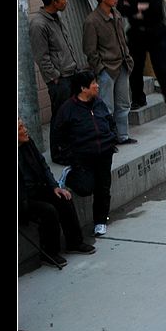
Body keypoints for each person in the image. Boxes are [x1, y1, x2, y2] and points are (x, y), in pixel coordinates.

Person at [19, 118, 96, 268]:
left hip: (38, 188)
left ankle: (74, 242)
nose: (25, 129)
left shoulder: (28, 143)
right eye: (21, 127)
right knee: (48, 210)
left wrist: (54, 186)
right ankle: (49, 252)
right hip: (22, 199)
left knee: (63, 198)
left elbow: (43, 165)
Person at [51, 70, 118, 236]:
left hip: (104, 153)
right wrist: (69, 156)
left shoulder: (99, 103)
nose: (97, 86)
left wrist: (111, 139)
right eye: (93, 83)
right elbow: (58, 136)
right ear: (83, 88)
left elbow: (110, 121)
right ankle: (70, 175)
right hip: (82, 157)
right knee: (86, 187)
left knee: (103, 187)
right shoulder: (68, 109)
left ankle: (100, 222)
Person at [29, 0, 85, 159]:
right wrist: (55, 77)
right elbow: (41, 56)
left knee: (71, 114)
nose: (66, 1)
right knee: (60, 116)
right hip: (60, 79)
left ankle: (70, 147)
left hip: (70, 74)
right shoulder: (39, 24)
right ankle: (59, 152)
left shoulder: (56, 17)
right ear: (54, 2)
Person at [117, 0, 166, 114]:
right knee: (135, 67)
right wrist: (139, 8)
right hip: (136, 33)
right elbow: (121, 9)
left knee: (161, 66)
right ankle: (138, 98)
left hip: (155, 32)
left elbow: (154, 10)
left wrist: (133, 8)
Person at [83, 0, 135, 144]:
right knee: (106, 107)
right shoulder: (92, 21)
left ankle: (122, 136)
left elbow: (122, 40)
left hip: (123, 65)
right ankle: (107, 138)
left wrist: (128, 58)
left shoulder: (116, 14)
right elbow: (89, 50)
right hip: (107, 69)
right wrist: (100, 69)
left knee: (123, 104)